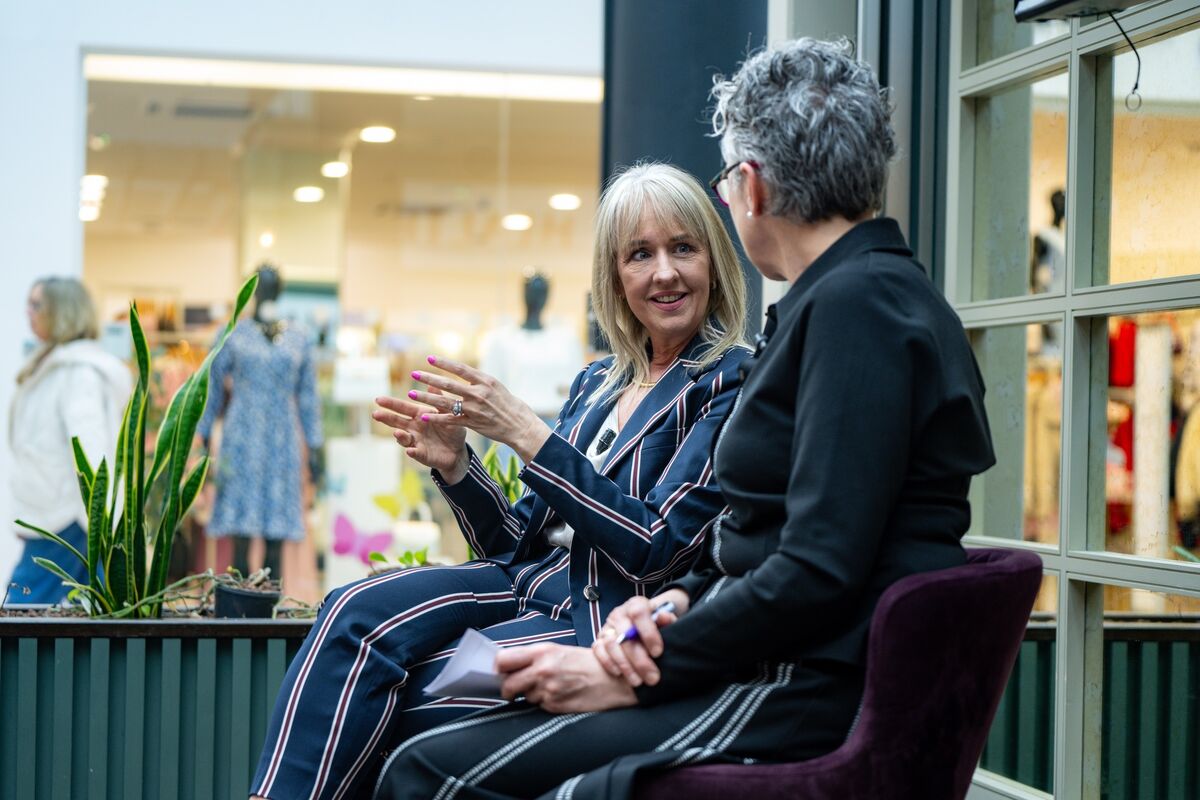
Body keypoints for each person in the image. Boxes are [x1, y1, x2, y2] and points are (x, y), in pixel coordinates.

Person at [374, 37, 997, 800]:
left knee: (424, 768)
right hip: (768, 659)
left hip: (793, 693)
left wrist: (625, 670)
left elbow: (816, 571)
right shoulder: (863, 297)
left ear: (752, 185)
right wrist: (676, 601)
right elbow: (786, 546)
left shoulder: (855, 308)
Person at [249, 163, 751, 800]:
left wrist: (531, 436)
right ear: (615, 277)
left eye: (684, 247)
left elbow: (659, 549)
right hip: (522, 583)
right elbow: (512, 543)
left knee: (411, 699)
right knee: (351, 608)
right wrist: (457, 467)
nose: (664, 272)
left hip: (594, 608)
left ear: (715, 260)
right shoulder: (598, 383)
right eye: (639, 254)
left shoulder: (728, 379)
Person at [6, 277, 131, 604]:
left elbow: (91, 453)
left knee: (20, 617)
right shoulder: (57, 364)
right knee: (87, 618)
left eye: (37, 305)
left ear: (62, 311)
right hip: (58, 518)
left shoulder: (78, 373)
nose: (28, 312)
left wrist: (91, 519)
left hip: (68, 520)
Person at [197, 265, 323, 583]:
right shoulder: (232, 333)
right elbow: (209, 387)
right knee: (240, 530)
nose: (266, 291)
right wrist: (200, 434)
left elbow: (308, 395)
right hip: (242, 436)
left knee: (276, 533)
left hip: (282, 437)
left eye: (271, 285)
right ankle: (237, 609)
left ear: (279, 290)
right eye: (261, 285)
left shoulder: (298, 337)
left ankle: (271, 612)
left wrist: (315, 444)